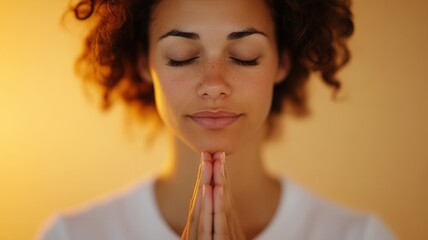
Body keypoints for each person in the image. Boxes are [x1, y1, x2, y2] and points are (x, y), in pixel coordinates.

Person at [38, 0, 396, 239]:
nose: (213, 85)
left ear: (283, 61)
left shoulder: (360, 235)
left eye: (244, 56)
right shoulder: (72, 235)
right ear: (142, 63)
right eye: (181, 57)